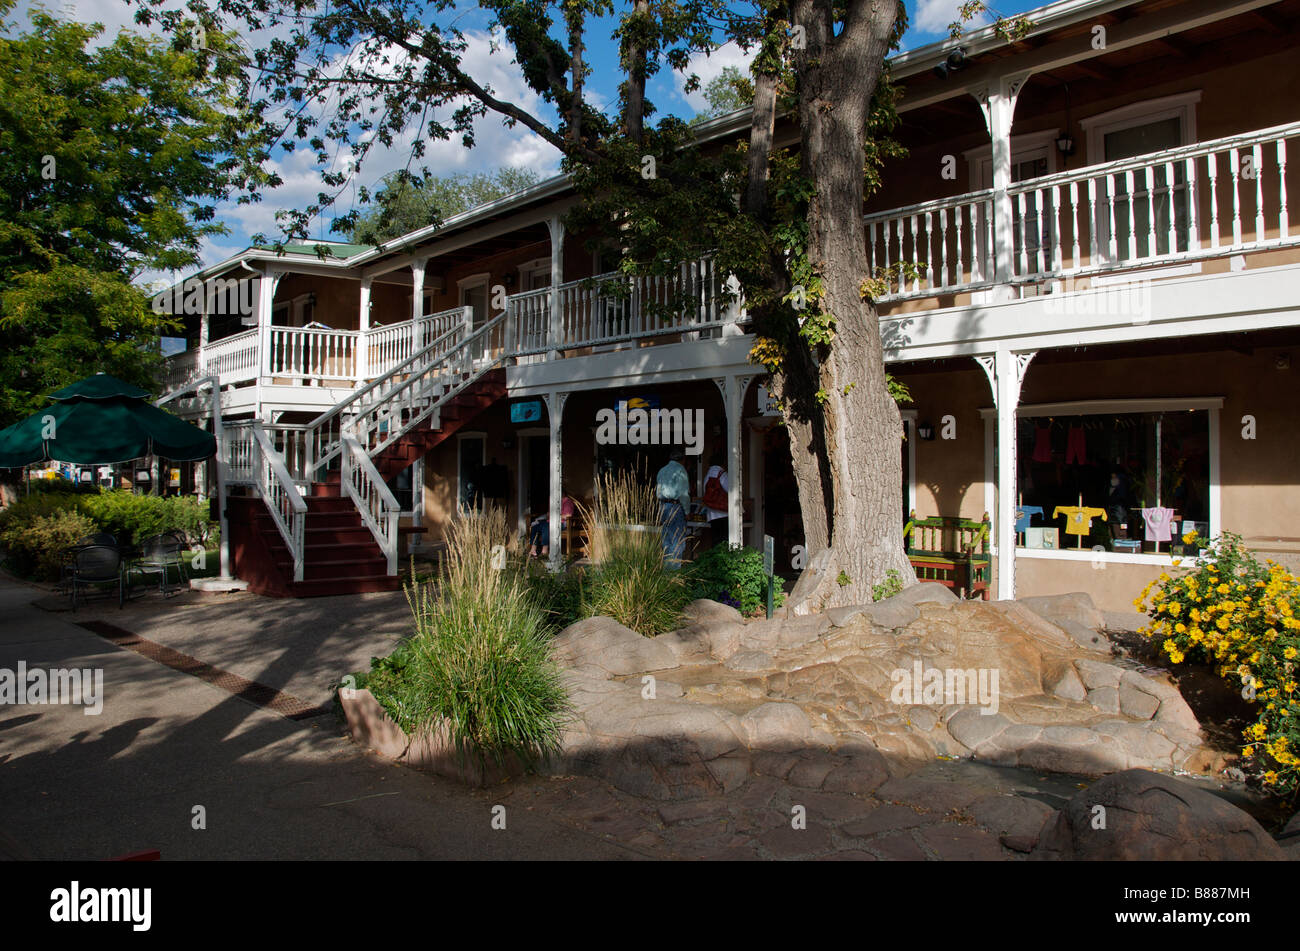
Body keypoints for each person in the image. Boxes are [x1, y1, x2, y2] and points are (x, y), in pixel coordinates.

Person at [655, 448, 691, 567]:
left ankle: (666, 572)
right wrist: (687, 511)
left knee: (666, 540)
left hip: (663, 507)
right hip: (675, 507)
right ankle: (674, 574)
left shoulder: (662, 470)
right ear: (683, 460)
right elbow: (683, 494)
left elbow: (658, 490)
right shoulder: (680, 470)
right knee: (677, 541)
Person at [529, 492, 575, 558]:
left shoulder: (567, 501)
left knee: (546, 527)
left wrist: (554, 516)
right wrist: (548, 515)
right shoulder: (554, 501)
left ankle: (545, 550)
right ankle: (533, 550)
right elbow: (550, 514)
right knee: (535, 526)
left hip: (561, 523)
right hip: (550, 521)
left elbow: (568, 515)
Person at [702, 451, 730, 548]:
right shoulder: (722, 474)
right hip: (724, 512)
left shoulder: (707, 475)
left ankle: (716, 562)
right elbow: (731, 490)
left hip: (712, 514)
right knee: (725, 541)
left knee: (716, 541)